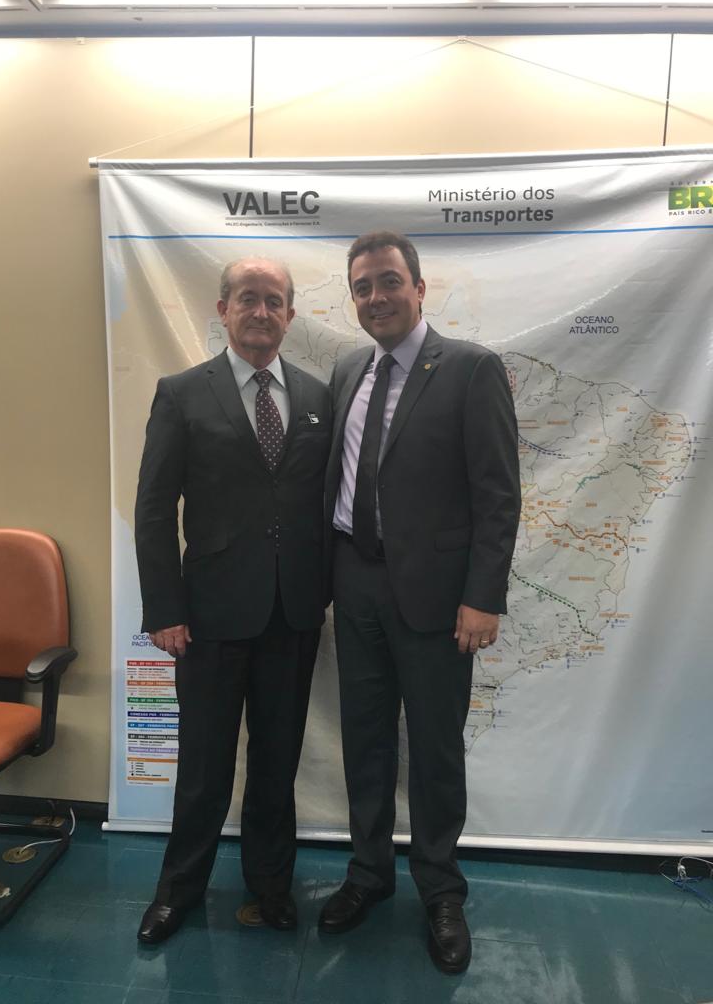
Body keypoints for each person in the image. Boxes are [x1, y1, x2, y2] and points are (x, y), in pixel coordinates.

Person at [320, 232, 521, 973]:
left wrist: (482, 598)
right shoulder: (347, 370)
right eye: (362, 286)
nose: (376, 297)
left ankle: (440, 892)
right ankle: (368, 874)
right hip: (355, 585)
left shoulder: (470, 369)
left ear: (419, 288)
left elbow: (497, 495)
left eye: (388, 281)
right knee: (364, 741)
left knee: (434, 750)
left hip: (438, 602)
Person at [135, 257, 331, 944]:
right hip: (210, 616)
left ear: (290, 315)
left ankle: (271, 885)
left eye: (274, 301)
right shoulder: (182, 394)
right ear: (223, 309)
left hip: (293, 614)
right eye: (248, 298)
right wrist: (164, 609)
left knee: (277, 763)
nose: (261, 312)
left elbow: (324, 504)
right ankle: (177, 891)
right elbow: (153, 509)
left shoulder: (317, 396)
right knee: (205, 766)